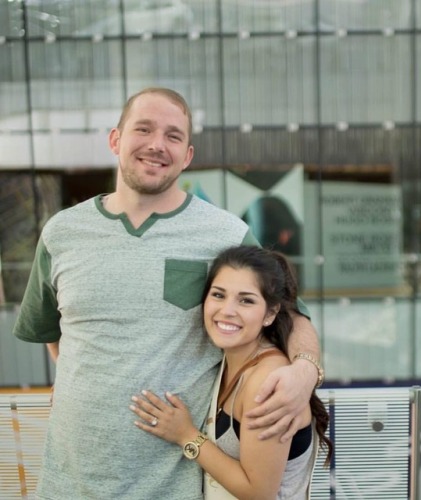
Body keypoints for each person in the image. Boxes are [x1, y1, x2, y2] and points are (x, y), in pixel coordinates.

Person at [12, 87, 324, 499]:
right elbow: (49, 328)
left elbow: (290, 315)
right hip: (68, 481)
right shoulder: (61, 233)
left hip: (173, 485)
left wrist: (304, 372)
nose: (157, 145)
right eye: (143, 129)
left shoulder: (224, 232)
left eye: (173, 136)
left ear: (188, 155)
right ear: (115, 140)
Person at [130, 245, 332, 499]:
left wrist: (186, 435)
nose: (227, 310)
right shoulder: (230, 361)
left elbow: (259, 491)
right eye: (218, 295)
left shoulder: (267, 382)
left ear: (270, 314)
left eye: (246, 300)